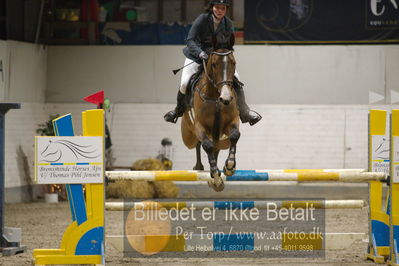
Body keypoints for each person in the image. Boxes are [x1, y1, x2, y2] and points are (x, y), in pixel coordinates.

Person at [164, 0, 261, 126]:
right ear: (212, 8)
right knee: (184, 83)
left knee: (236, 79)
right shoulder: (202, 19)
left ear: (225, 10)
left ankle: (245, 112)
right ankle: (177, 111)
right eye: (217, 8)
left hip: (217, 58)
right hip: (196, 56)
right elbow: (190, 40)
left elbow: (228, 44)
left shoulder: (228, 23)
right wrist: (200, 53)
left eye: (223, 8)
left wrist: (222, 55)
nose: (220, 11)